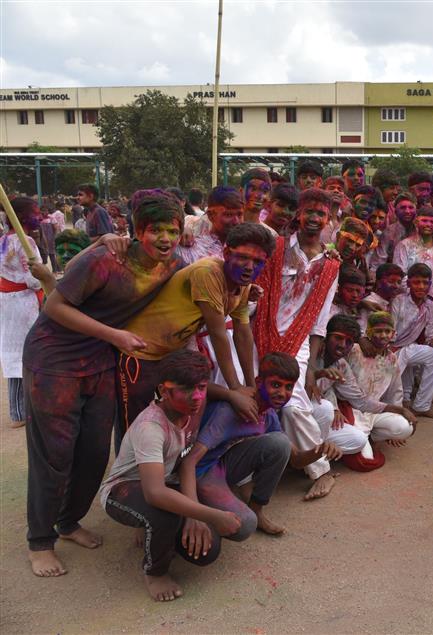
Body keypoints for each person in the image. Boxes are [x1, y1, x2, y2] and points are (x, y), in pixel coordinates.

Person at [22, 191, 184, 578]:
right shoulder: (106, 259)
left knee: (95, 451)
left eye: (172, 231)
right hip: (54, 359)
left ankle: (68, 521)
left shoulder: (173, 264)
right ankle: (40, 541)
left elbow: (205, 282)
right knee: (55, 454)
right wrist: (113, 335)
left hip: (101, 361)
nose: (164, 238)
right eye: (154, 230)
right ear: (136, 230)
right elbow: (54, 307)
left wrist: (245, 296)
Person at [98, 350, 242, 602]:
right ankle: (155, 572)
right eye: (186, 389)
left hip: (165, 482)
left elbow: (186, 461)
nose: (197, 397)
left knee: (208, 551)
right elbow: (154, 493)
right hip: (124, 489)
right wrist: (210, 514)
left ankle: (151, 528)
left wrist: (193, 515)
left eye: (201, 387)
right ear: (164, 392)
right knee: (162, 512)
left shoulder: (191, 408)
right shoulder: (151, 427)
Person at [119, 223, 274, 441]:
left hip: (171, 354)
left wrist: (251, 385)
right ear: (227, 252)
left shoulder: (243, 283)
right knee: (133, 424)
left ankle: (168, 468)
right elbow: (218, 332)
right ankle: (129, 474)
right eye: (243, 257)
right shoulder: (208, 272)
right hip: (140, 351)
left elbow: (243, 334)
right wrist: (236, 388)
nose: (249, 266)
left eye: (258, 262)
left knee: (179, 418)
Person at [251, 188, 342, 500]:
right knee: (252, 395)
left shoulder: (330, 264)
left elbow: (320, 319)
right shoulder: (274, 246)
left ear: (329, 220)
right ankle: (248, 469)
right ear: (298, 214)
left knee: (290, 403)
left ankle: (322, 471)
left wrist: (312, 367)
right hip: (259, 332)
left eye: (321, 214)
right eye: (309, 212)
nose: (314, 219)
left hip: (297, 339)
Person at [185, 353, 318, 537]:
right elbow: (190, 461)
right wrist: (193, 513)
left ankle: (256, 510)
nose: (282, 393)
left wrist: (320, 451)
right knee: (245, 526)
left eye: (289, 387)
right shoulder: (228, 411)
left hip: (222, 466)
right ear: (259, 382)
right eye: (276, 385)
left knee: (280, 443)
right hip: (201, 472)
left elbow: (295, 459)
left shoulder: (268, 412)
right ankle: (185, 511)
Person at [322, 312, 416, 471]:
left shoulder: (392, 359)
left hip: (375, 411)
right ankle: (361, 437)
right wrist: (334, 407)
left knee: (405, 427)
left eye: (387, 331)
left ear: (393, 334)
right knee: (365, 460)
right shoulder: (354, 349)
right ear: (369, 332)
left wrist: (398, 412)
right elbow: (331, 381)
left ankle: (372, 436)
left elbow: (395, 391)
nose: (383, 335)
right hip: (352, 409)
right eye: (378, 331)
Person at [2, 198, 55, 428]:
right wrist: (47, 280)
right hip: (22, 303)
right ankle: (20, 411)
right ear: (22, 216)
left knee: (12, 351)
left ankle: (19, 409)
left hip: (8, 302)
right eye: (35, 212)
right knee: (22, 353)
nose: (39, 217)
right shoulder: (26, 242)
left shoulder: (3, 241)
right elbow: (34, 279)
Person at [389, 263, 433, 418]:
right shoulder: (398, 301)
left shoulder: (431, 305)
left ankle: (421, 406)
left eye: (425, 283)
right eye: (416, 282)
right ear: (408, 283)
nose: (421, 287)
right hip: (390, 348)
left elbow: (432, 335)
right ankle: (401, 402)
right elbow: (389, 332)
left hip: (408, 349)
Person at [393, 205, 433, 315]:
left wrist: (429, 297)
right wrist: (415, 296)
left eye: (432, 222)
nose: (428, 224)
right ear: (416, 222)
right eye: (424, 221)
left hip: (432, 303)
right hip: (406, 303)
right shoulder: (404, 245)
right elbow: (399, 274)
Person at [177, 186, 244, 264]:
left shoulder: (246, 250)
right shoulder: (192, 249)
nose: (236, 221)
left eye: (240, 214)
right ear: (211, 215)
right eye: (228, 215)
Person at [384, 192, 417, 261]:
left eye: (411, 207)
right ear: (395, 211)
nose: (407, 211)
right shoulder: (389, 232)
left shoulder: (421, 230)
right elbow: (379, 260)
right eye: (403, 208)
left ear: (416, 210)